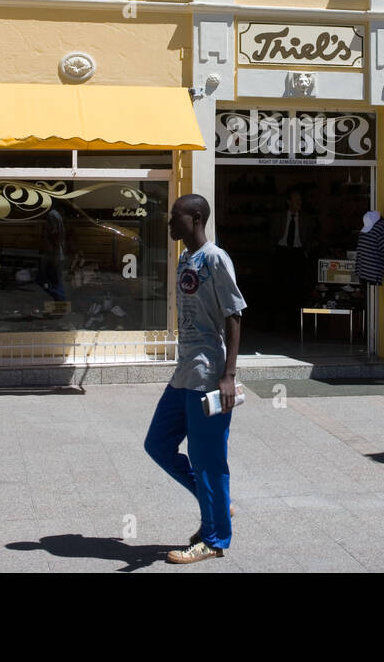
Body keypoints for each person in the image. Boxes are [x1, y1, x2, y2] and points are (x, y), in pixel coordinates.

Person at [144, 194, 246, 564]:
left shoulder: (215, 259)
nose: (170, 223)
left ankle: (215, 538)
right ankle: (218, 506)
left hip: (208, 374)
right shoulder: (185, 258)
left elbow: (234, 314)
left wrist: (229, 376)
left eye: (176, 217)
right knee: (157, 444)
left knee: (208, 460)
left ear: (197, 218)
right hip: (184, 372)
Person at [270, 187, 317, 330]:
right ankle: (278, 322)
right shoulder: (278, 218)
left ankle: (294, 323)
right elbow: (271, 236)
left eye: (300, 200)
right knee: (279, 287)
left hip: (298, 255)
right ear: (288, 202)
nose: (299, 203)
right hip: (281, 253)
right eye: (296, 200)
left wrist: (306, 252)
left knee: (297, 289)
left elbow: (311, 237)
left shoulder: (306, 219)